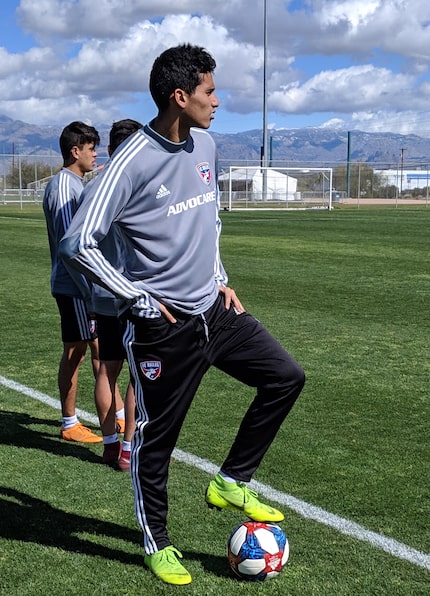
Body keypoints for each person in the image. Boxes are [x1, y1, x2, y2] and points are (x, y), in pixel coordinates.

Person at [60, 44, 305, 585]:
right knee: (156, 440)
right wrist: (136, 296)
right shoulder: (128, 162)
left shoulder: (208, 145)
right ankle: (157, 543)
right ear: (180, 96)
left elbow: (208, 221)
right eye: (210, 91)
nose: (217, 101)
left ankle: (231, 480)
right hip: (162, 327)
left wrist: (220, 278)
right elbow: (78, 242)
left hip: (214, 312)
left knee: (286, 377)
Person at [43, 121, 102, 443]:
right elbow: (71, 249)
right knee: (77, 352)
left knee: (94, 349)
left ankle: (112, 416)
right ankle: (70, 423)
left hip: (79, 286)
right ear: (75, 151)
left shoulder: (74, 184)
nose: (95, 154)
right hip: (75, 286)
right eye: (91, 148)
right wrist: (90, 291)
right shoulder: (66, 187)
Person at [93, 119, 142, 469]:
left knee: (107, 370)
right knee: (138, 374)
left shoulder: (92, 187)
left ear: (111, 150)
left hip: (101, 291)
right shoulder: (139, 185)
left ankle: (110, 443)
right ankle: (127, 448)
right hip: (132, 293)